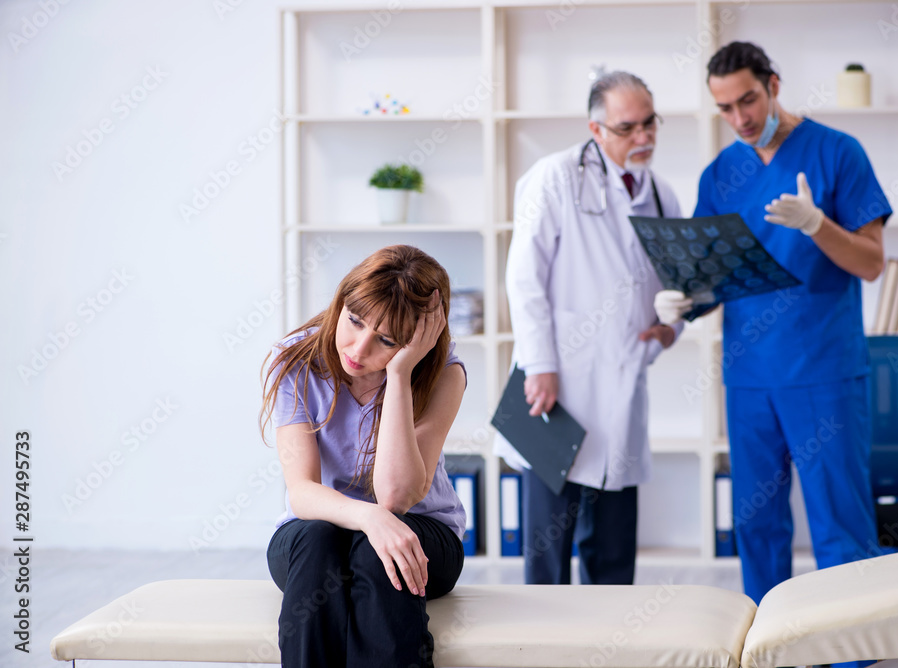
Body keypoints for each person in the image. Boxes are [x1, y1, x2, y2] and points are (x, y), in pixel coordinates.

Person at [685, 42, 892, 605]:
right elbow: (714, 274)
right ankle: (771, 648)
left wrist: (818, 225)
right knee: (757, 526)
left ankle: (851, 653)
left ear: (773, 84)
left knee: (839, 526)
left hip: (823, 370)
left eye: (748, 100)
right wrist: (684, 302)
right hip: (750, 376)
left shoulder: (837, 153)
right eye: (725, 108)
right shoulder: (721, 173)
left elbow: (871, 264)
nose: (740, 119)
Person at [497, 70, 687, 585]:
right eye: (628, 128)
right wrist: (539, 365)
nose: (644, 137)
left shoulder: (663, 195)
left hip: (623, 386)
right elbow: (524, 277)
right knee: (547, 551)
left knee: (613, 555)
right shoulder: (554, 177)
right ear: (596, 129)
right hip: (552, 387)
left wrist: (671, 329)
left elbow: (680, 286)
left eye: (650, 124)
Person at [260, 245, 467, 668]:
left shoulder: (443, 372)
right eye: (354, 320)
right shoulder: (295, 363)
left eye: (386, 340)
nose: (358, 347)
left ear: (416, 342)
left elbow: (395, 498)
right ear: (341, 303)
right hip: (318, 538)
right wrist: (369, 517)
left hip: (420, 538)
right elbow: (302, 491)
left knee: (377, 551)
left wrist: (399, 374)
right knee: (321, 537)